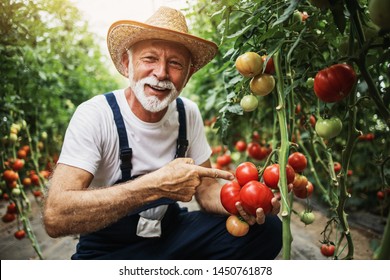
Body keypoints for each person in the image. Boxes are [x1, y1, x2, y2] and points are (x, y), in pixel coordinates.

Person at [43, 6, 282, 260]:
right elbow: (56, 216)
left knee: (267, 230)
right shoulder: (96, 115)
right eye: (149, 59)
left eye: (175, 63)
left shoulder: (187, 113)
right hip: (109, 247)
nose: (161, 73)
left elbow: (207, 189)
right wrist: (155, 186)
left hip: (170, 233)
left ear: (188, 75)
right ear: (127, 64)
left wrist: (242, 204)